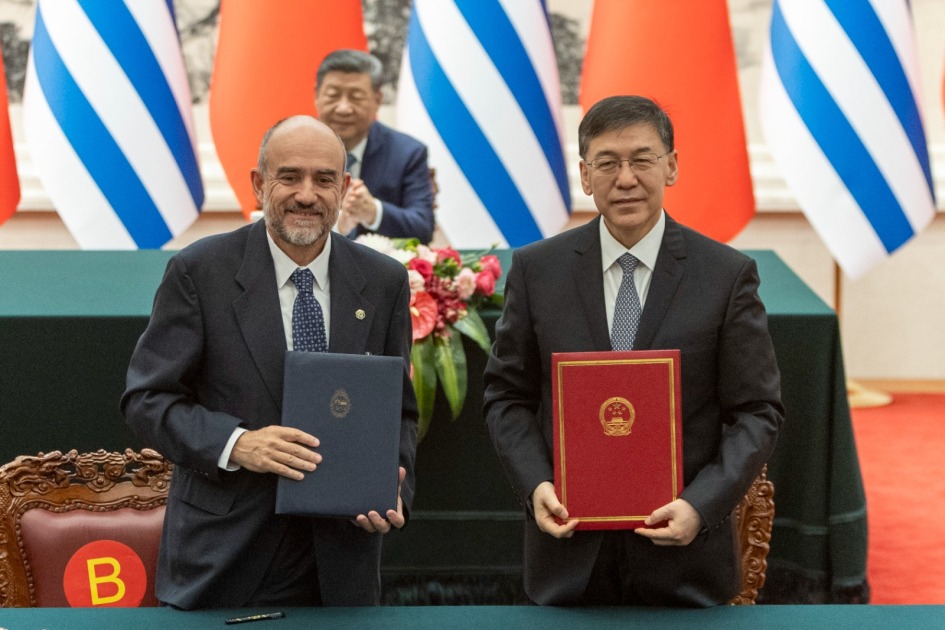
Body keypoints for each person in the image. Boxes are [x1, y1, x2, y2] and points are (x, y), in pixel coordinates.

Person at [483, 95, 784, 607]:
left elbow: (757, 411)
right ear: (584, 174)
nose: (625, 178)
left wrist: (700, 504)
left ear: (671, 166)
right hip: (568, 555)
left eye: (642, 159)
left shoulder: (725, 275)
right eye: (607, 163)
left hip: (685, 559)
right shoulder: (538, 270)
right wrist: (535, 484)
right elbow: (506, 395)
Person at [122, 115, 418, 609]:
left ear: (344, 189)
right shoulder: (200, 272)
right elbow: (147, 401)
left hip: (341, 563)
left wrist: (393, 488)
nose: (307, 194)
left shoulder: (383, 280)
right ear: (260, 184)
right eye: (290, 176)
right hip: (224, 556)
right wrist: (238, 444)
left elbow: (400, 412)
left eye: (325, 179)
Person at [315, 49, 435, 243]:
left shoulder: (407, 153)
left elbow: (423, 227)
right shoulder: (293, 150)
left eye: (356, 97)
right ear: (317, 96)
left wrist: (373, 211)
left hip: (381, 268)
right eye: (333, 95)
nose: (343, 108)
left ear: (377, 100)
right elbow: (272, 221)